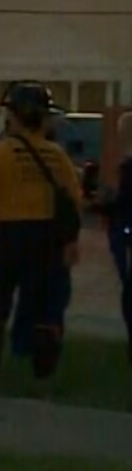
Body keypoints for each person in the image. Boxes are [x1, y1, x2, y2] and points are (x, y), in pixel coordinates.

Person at [0, 81, 82, 381]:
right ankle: (42, 375)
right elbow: (73, 201)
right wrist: (71, 242)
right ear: (43, 117)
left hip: (2, 236)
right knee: (43, 307)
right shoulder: (56, 155)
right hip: (46, 238)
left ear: (12, 116)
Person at [106, 111, 132, 363]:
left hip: (124, 231)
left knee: (129, 288)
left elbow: (122, 203)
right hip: (123, 229)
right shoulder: (124, 166)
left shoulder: (127, 169)